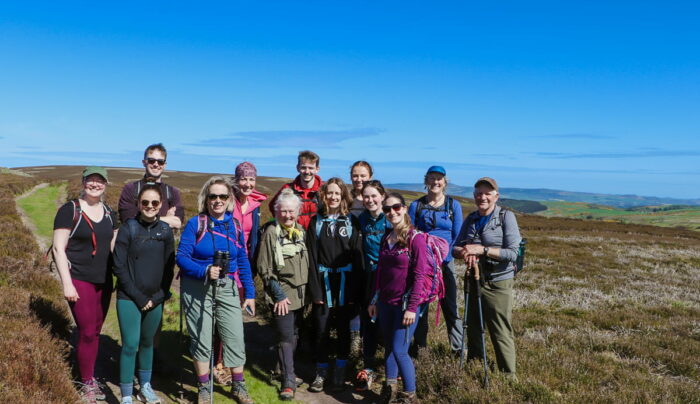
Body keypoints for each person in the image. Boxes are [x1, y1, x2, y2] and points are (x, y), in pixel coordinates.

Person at [176, 176, 256, 404]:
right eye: (213, 196)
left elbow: (242, 261)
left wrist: (249, 293)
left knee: (235, 337)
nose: (218, 201)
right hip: (196, 287)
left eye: (223, 196)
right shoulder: (196, 224)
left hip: (227, 287)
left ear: (230, 199)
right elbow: (181, 257)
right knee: (201, 338)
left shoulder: (235, 226)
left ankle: (238, 386)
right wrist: (204, 270)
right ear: (206, 198)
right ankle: (203, 387)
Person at [52, 166, 118, 404]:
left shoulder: (110, 212)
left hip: (104, 280)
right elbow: (59, 248)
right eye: (91, 180)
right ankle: (86, 382)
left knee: (95, 331)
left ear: (106, 184)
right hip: (79, 279)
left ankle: (87, 371)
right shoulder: (69, 210)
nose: (95, 184)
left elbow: (114, 245)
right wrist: (67, 284)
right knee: (88, 331)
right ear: (83, 182)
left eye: (100, 181)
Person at [452, 177, 521, 380]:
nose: (482, 197)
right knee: (473, 325)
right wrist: (465, 251)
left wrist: (483, 250)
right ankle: (475, 364)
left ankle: (509, 376)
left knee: (500, 328)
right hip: (473, 279)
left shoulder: (506, 217)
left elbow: (512, 253)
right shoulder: (471, 218)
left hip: (497, 281)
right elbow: (455, 247)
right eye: (478, 193)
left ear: (495, 196)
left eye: (487, 193)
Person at [368, 192, 434, 404]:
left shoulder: (416, 240)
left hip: (406, 305)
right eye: (387, 209)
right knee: (389, 346)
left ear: (404, 208)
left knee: (400, 350)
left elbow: (420, 275)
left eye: (396, 207)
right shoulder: (387, 238)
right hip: (385, 303)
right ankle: (389, 390)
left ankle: (410, 395)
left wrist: (413, 308)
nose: (391, 212)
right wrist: (374, 300)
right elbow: (380, 272)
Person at [112, 184, 175, 404]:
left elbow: (169, 267)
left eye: (154, 203)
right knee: (130, 344)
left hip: (155, 298)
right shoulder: (128, 228)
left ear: (161, 205)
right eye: (145, 202)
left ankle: (145, 387)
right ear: (138, 204)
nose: (150, 206)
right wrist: (140, 298)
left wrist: (158, 297)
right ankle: (127, 394)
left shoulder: (165, 231)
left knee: (148, 343)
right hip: (129, 297)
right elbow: (118, 266)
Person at [306, 177, 364, 392]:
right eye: (329, 193)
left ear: (343, 196)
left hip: (345, 285)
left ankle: (340, 371)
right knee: (321, 329)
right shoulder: (316, 221)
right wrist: (315, 289)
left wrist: (353, 292)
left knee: (343, 330)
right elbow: (311, 258)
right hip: (323, 283)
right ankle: (321, 372)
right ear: (323, 195)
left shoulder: (351, 222)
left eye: (337, 193)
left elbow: (358, 258)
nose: (333, 197)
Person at [212, 162, 268, 385]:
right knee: (220, 316)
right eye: (243, 179)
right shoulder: (226, 201)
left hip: (243, 266)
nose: (247, 183)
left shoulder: (256, 205)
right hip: (224, 264)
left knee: (233, 317)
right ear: (236, 180)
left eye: (251, 179)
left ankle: (227, 362)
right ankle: (217, 363)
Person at [255, 189, 309, 401]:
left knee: (294, 334)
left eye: (291, 211)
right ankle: (288, 381)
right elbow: (264, 267)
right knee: (286, 337)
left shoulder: (301, 231)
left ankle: (280, 368)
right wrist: (278, 295)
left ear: (298, 212)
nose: (287, 215)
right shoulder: (271, 232)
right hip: (282, 293)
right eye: (283, 211)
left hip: (301, 294)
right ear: (277, 211)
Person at [408, 165, 463, 356]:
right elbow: (410, 233)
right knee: (420, 306)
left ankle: (458, 349)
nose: (435, 182)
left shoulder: (453, 205)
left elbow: (457, 235)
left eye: (439, 179)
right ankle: (419, 348)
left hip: (446, 263)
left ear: (445, 182)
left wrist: (444, 255)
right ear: (426, 181)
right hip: (423, 265)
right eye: (431, 178)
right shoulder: (416, 206)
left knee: (450, 307)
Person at [354, 180, 388, 391]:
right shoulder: (362, 219)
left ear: (382, 196)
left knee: (388, 323)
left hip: (389, 278)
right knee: (369, 321)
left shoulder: (391, 218)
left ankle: (389, 370)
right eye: (366, 196)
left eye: (374, 196)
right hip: (368, 277)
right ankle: (367, 368)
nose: (370, 200)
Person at [118, 143, 184, 229]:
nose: (156, 164)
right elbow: (128, 220)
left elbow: (177, 223)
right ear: (144, 162)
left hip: (162, 242)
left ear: (164, 165)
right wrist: (166, 219)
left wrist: (143, 217)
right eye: (151, 160)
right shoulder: (131, 189)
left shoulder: (172, 192)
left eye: (160, 162)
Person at [347, 161, 373, 358]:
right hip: (349, 255)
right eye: (356, 175)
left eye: (363, 175)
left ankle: (369, 342)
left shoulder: (375, 198)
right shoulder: (346, 198)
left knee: (369, 300)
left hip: (371, 258)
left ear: (370, 176)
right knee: (353, 301)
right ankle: (354, 341)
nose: (359, 179)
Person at [268, 150, 322, 229]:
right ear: (298, 168)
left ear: (317, 169)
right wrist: (283, 224)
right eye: (303, 167)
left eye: (311, 168)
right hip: (294, 235)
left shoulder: (324, 190)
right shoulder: (287, 189)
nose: (307, 171)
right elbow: (273, 206)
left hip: (317, 236)